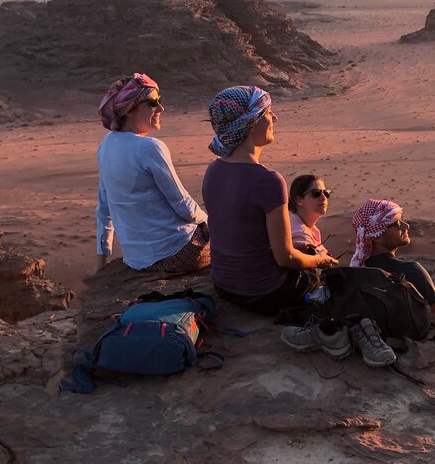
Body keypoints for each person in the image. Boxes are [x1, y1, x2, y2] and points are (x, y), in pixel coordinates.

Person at [200, 86, 339, 315]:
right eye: (268, 112)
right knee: (318, 273)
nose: (274, 118)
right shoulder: (269, 180)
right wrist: (319, 260)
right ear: (252, 122)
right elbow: (285, 259)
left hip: (223, 285)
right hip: (263, 291)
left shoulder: (213, 170)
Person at [94, 73, 210, 275]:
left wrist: (102, 256)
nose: (161, 109)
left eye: (160, 101)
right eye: (153, 103)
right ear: (129, 110)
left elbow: (104, 208)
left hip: (137, 259)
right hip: (176, 252)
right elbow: (183, 206)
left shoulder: (105, 147)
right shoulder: (149, 147)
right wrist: (209, 221)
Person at [351, 199, 435, 309]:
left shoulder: (358, 271)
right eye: (397, 223)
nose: (406, 226)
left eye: (402, 219)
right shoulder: (411, 271)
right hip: (414, 326)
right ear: (377, 237)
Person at [288, 174, 330, 253]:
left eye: (326, 192)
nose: (323, 197)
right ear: (299, 200)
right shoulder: (300, 234)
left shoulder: (311, 229)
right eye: (316, 193)